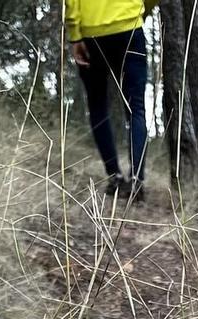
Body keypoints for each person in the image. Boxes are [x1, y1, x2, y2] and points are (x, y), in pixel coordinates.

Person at [66, 0, 150, 198]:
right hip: (130, 25)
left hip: (90, 32)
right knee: (136, 108)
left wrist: (75, 35)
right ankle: (137, 180)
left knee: (97, 106)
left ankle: (115, 178)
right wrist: (140, 13)